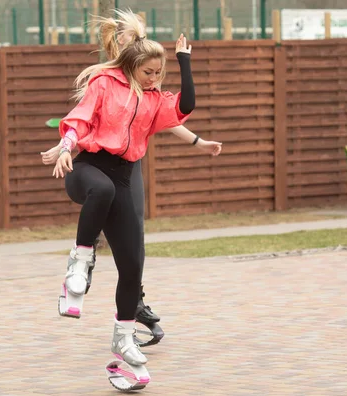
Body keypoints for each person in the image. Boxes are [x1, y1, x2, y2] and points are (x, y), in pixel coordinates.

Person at [41, 10, 222, 340]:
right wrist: (65, 145)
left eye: (158, 72)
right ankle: (80, 262)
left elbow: (183, 110)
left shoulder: (153, 99)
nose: (154, 77)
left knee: (133, 259)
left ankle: (124, 338)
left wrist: (184, 60)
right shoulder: (105, 83)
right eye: (148, 72)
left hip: (125, 174)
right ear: (130, 63)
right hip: (90, 168)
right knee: (103, 190)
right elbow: (79, 119)